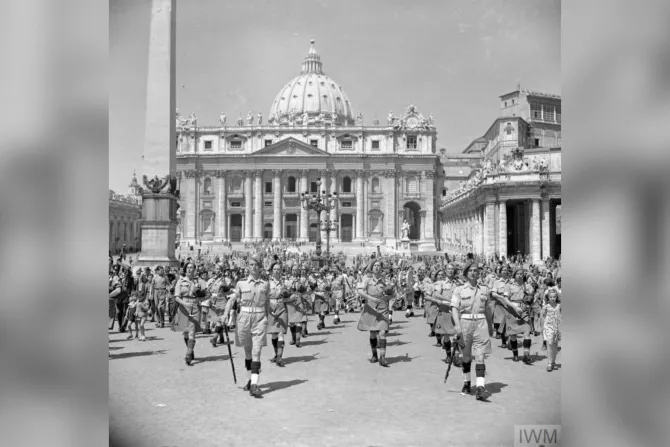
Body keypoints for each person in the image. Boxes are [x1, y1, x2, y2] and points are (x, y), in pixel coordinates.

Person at [221, 255, 271, 398]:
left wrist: (266, 317)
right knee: (248, 352)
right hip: (244, 318)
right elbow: (232, 299)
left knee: (256, 351)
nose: (253, 267)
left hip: (260, 318)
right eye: (250, 264)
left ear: (260, 267)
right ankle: (250, 378)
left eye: (255, 264)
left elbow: (267, 302)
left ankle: (255, 384)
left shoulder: (265, 284)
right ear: (247, 267)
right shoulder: (241, 283)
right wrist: (225, 315)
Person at [450, 262, 493, 401]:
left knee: (480, 356)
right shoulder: (459, 290)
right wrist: (457, 326)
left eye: (475, 271)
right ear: (466, 274)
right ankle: (467, 382)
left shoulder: (485, 290)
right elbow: (455, 309)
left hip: (481, 324)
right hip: (465, 324)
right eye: (470, 271)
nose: (473, 273)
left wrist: (491, 326)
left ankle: (480, 387)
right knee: (466, 356)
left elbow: (488, 309)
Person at [357, 260, 395, 367]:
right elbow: (360, 291)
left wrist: (389, 295)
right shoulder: (367, 279)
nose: (377, 267)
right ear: (372, 267)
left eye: (379, 265)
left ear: (382, 268)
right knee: (373, 333)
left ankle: (382, 357)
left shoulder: (386, 280)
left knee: (382, 332)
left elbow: (393, 295)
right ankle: (374, 354)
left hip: (383, 308)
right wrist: (371, 298)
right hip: (371, 307)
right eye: (375, 265)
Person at [172, 262, 209, 366]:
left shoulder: (200, 281)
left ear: (194, 269)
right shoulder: (180, 281)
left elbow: (206, 294)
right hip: (183, 307)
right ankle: (190, 349)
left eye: (191, 267)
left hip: (194, 307)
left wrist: (203, 299)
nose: (189, 269)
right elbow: (176, 297)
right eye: (187, 267)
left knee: (192, 331)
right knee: (185, 332)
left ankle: (188, 354)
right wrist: (184, 303)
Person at [267, 261, 289, 367]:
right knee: (274, 333)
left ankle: (280, 357)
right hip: (271, 308)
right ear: (272, 271)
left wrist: (289, 296)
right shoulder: (267, 283)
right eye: (275, 269)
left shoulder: (284, 282)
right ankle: (276, 354)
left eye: (278, 269)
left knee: (280, 333)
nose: (276, 271)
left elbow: (288, 295)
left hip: (281, 308)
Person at [541, 288, 561, 371]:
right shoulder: (546, 307)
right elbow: (542, 317)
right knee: (549, 344)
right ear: (547, 298)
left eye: (554, 297)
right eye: (551, 297)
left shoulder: (559, 306)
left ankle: (553, 362)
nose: (552, 298)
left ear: (556, 297)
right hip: (548, 327)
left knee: (555, 346)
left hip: (557, 328)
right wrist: (542, 328)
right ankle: (549, 362)